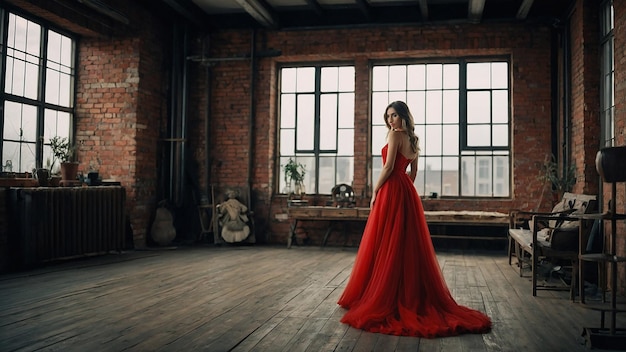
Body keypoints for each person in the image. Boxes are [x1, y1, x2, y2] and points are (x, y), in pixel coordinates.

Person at [337, 101, 492, 337]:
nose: (391, 120)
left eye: (395, 115)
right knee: (403, 242)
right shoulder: (413, 140)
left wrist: (376, 191)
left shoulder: (395, 135)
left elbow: (388, 167)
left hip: (391, 189)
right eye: (388, 116)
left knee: (387, 240)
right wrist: (405, 187)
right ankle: (401, 291)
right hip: (406, 191)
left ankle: (384, 293)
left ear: (403, 117)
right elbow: (414, 172)